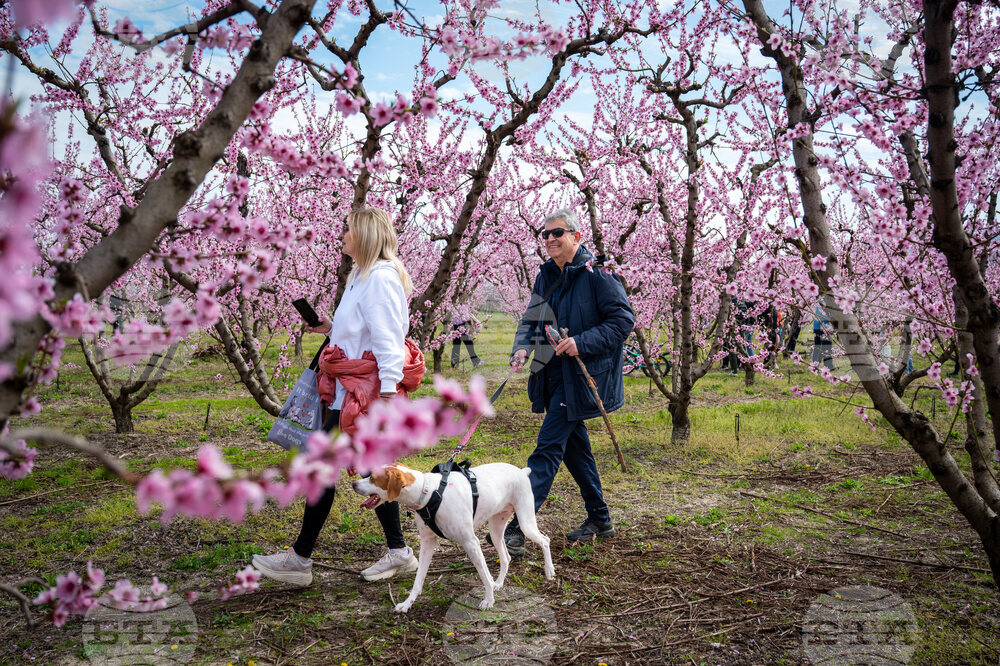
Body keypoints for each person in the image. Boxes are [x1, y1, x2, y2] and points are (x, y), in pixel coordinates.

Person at [252, 207, 423, 586]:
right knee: (357, 468)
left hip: (363, 398)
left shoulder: (380, 279)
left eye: (348, 231)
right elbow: (358, 333)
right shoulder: (360, 278)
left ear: (363, 236)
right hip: (344, 396)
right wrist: (330, 328)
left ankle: (302, 559)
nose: (342, 237)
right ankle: (397, 551)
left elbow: (389, 345)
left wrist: (389, 400)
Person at [498, 208, 634, 557]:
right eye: (545, 235)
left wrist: (581, 342)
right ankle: (600, 519)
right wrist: (521, 349)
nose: (551, 239)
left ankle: (518, 529)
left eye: (558, 232)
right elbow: (531, 318)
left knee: (547, 448)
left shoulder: (597, 274)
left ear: (576, 235)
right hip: (552, 375)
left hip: (583, 377)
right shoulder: (545, 275)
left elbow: (623, 320)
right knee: (574, 450)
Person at [450, 302, 483, 368]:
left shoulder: (452, 303)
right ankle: (476, 362)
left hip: (453, 326)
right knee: (469, 345)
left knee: (456, 346)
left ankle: (454, 365)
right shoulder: (462, 305)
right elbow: (467, 317)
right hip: (462, 326)